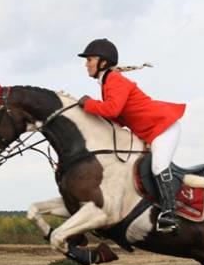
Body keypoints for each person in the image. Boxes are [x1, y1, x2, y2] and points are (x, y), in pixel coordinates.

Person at [77, 38, 186, 233]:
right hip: (149, 131)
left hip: (164, 127)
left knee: (159, 165)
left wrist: (88, 103)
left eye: (89, 59)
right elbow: (118, 117)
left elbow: (111, 109)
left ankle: (171, 213)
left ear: (102, 61)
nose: (86, 64)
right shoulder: (107, 82)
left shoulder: (115, 80)